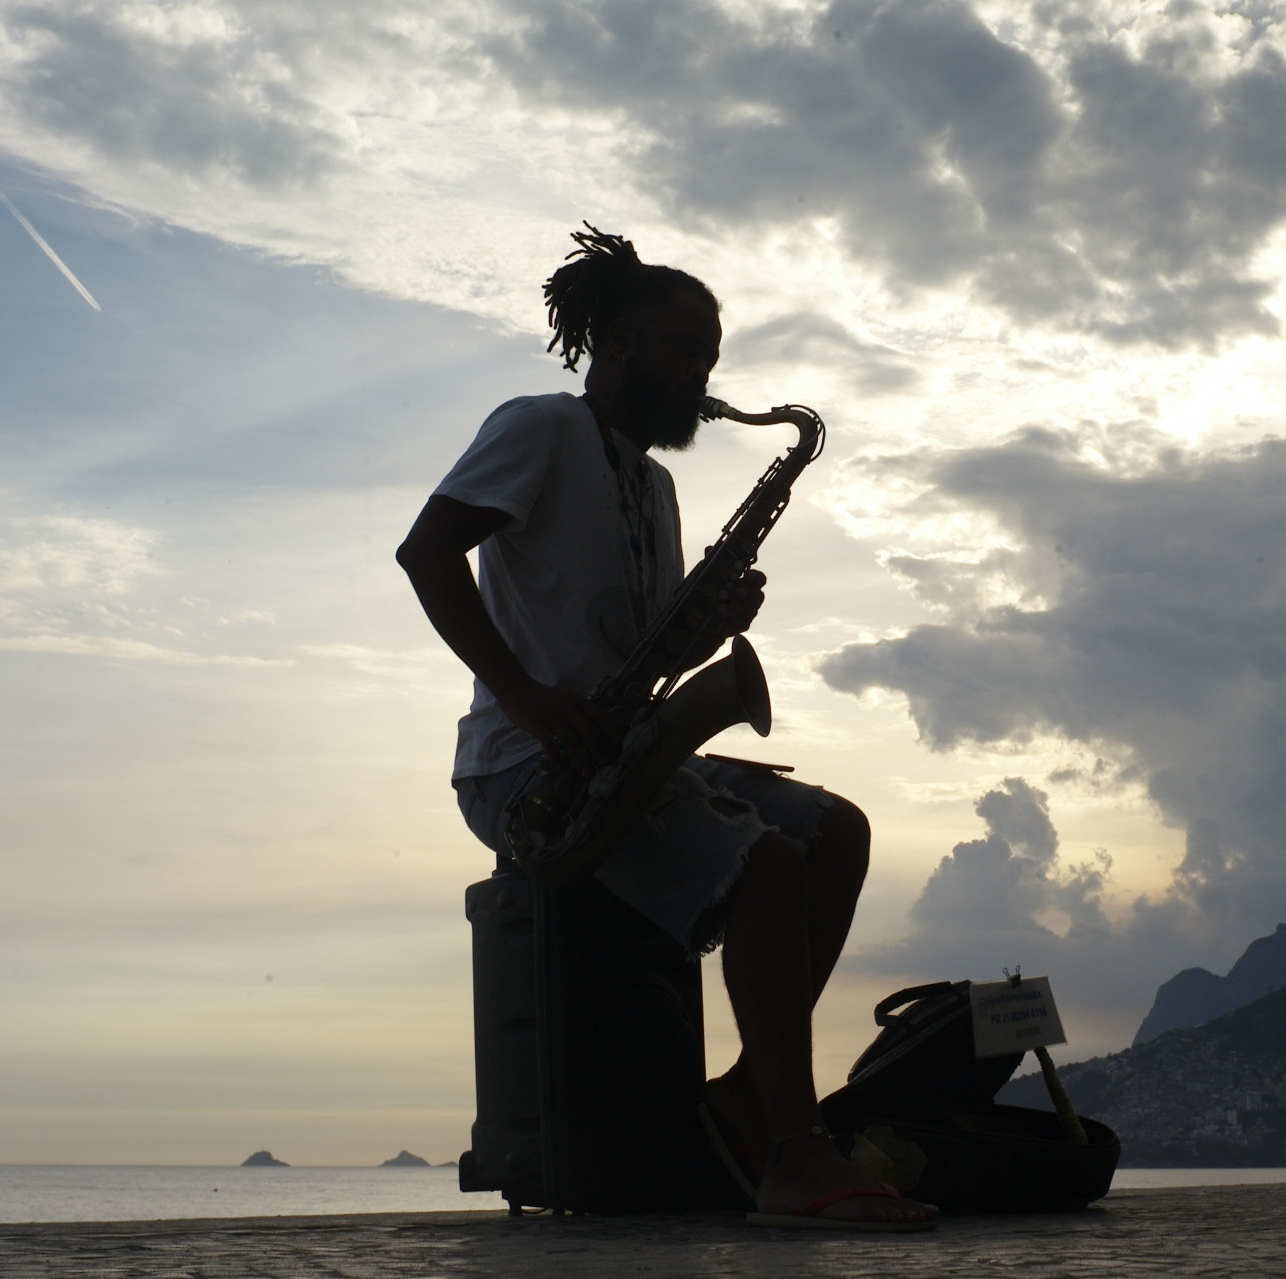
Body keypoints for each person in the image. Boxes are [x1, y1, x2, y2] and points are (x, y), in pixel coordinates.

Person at [395, 225, 936, 1231]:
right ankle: (793, 1154)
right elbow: (427, 552)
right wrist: (521, 696)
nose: (701, 377)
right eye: (682, 351)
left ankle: (743, 1097)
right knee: (768, 863)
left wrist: (708, 624)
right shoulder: (542, 426)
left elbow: (635, 656)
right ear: (614, 341)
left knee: (837, 830)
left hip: (620, 748)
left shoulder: (655, 484)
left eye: (710, 359)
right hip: (527, 768)